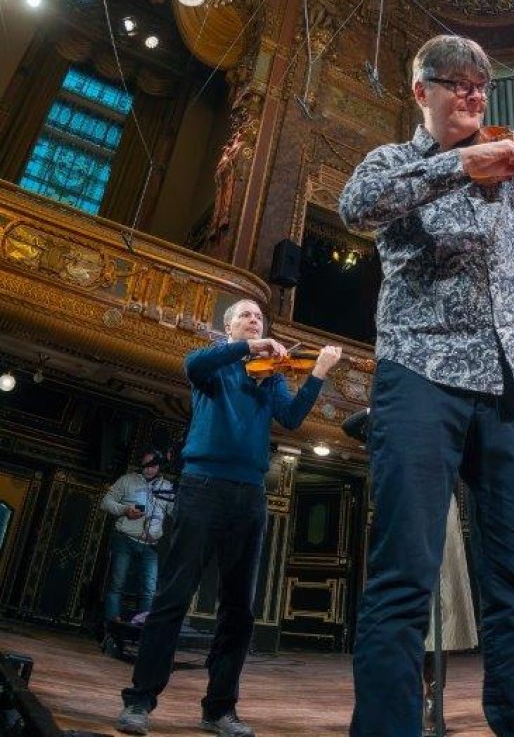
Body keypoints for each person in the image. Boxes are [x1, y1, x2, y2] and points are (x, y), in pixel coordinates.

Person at [339, 34, 514, 737]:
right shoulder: (395, 161)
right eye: (458, 82)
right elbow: (357, 208)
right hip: (422, 371)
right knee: (404, 576)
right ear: (423, 91)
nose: (473, 94)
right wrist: (463, 165)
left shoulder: (510, 170)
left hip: (511, 381)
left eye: (481, 84)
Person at [116, 300, 339, 737]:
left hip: (249, 494)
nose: (255, 320)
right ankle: (140, 701)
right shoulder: (215, 365)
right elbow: (193, 363)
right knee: (173, 597)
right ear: (229, 325)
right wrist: (248, 346)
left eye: (259, 317)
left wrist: (318, 374)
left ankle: (219, 710)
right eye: (246, 316)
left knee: (238, 610)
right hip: (202, 486)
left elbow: (291, 418)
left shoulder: (271, 375)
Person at [423, 492, 479, 737]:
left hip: (440, 497)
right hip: (402, 496)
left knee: (441, 606)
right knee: (403, 603)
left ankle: (433, 699)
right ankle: (402, 696)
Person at [101, 450, 175, 624]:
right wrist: (125, 510)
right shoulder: (127, 480)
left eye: (153, 466)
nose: (149, 469)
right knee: (117, 584)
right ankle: (111, 625)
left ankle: (141, 628)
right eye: (146, 465)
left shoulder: (167, 487)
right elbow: (105, 502)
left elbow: (175, 512)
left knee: (149, 589)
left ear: (159, 467)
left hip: (151, 545)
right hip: (125, 540)